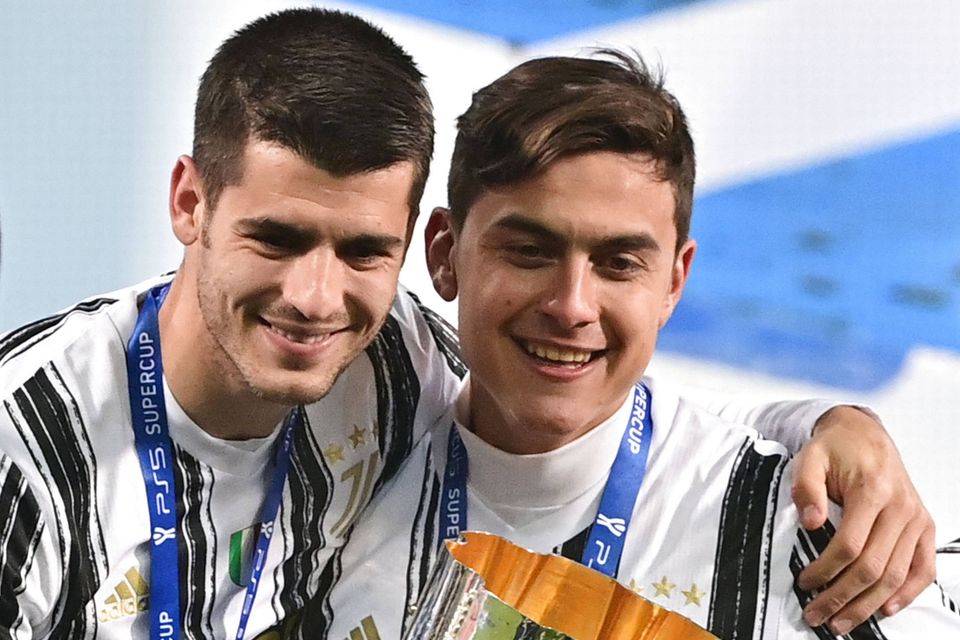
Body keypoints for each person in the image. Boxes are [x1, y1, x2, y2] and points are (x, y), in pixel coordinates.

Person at [0, 9, 934, 640]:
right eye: (276, 238)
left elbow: (608, 401)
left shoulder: (387, 364)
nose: (317, 299)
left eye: (363, 251)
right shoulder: (26, 456)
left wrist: (833, 425)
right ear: (189, 202)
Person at [325, 52, 959, 639]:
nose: (572, 305)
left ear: (673, 283)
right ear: (444, 254)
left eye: (619, 263)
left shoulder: (800, 530)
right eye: (529, 252)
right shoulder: (345, 474)